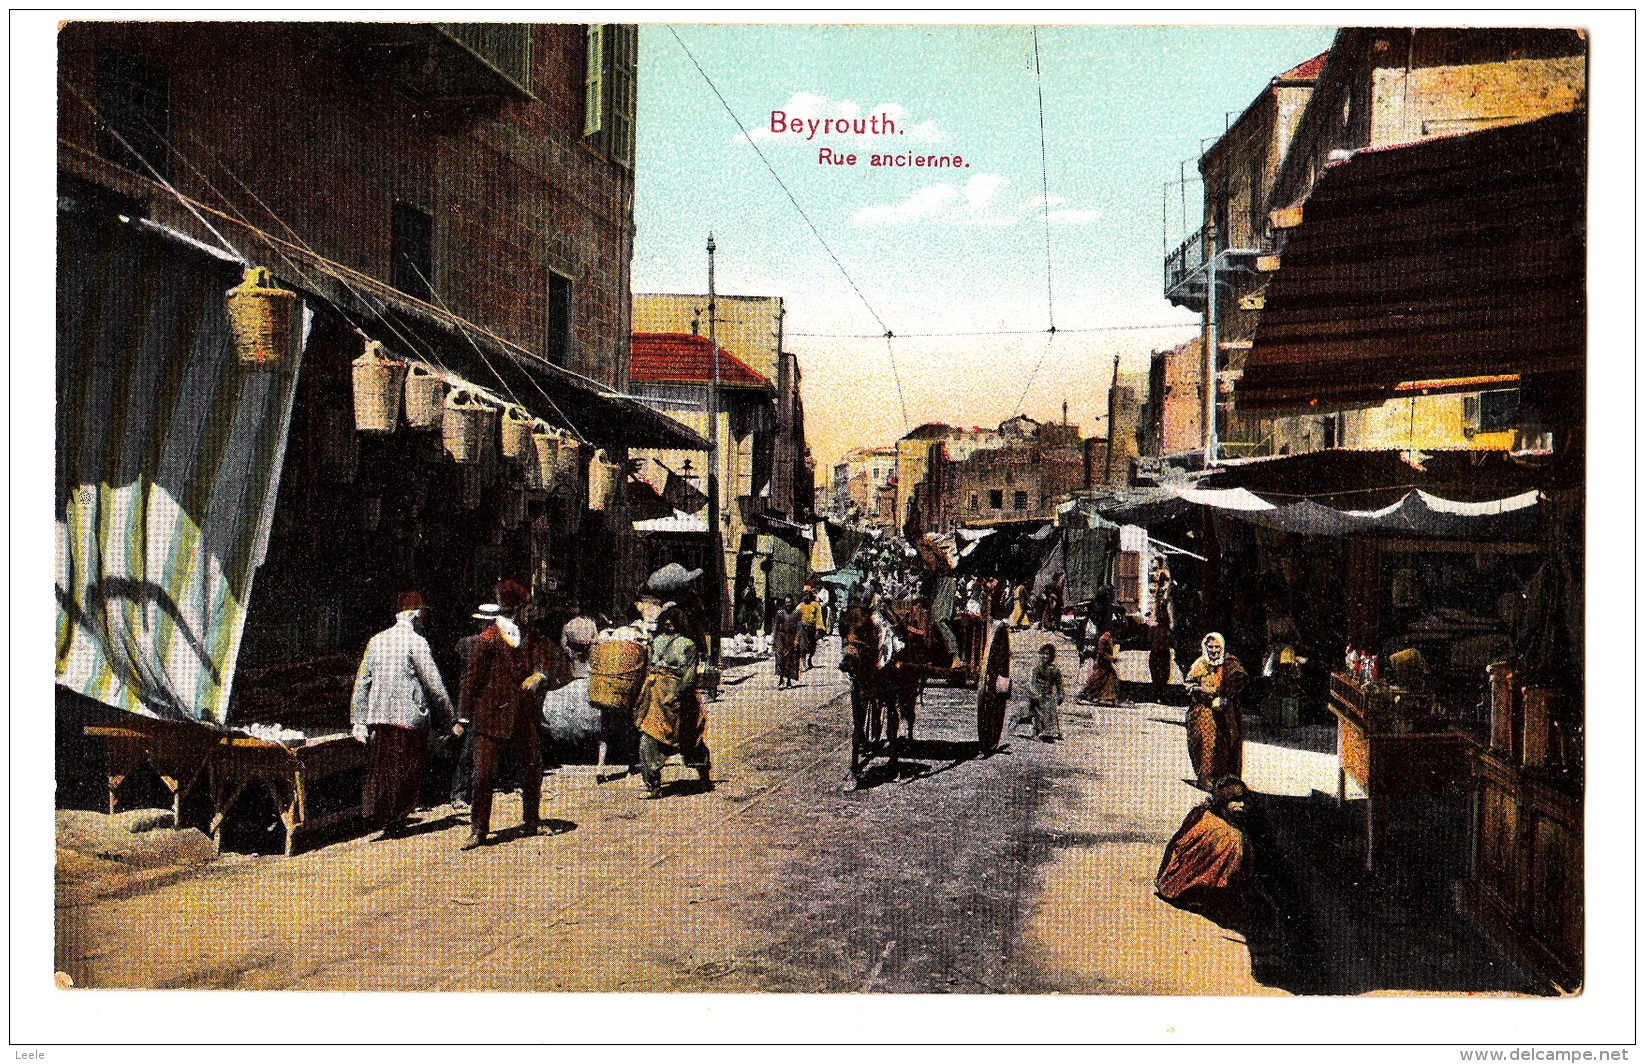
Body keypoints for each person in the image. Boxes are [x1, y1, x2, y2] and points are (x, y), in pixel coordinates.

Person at [457, 579, 569, 850]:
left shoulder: (530, 634)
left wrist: (539, 675)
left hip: (523, 712)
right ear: (517, 608)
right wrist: (462, 717)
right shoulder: (487, 639)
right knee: (483, 775)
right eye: (526, 606)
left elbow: (556, 660)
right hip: (491, 714)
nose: (529, 611)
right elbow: (470, 680)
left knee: (532, 768)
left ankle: (532, 820)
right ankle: (479, 829)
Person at [350, 590, 457, 839]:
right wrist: (449, 718)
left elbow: (362, 682)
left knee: (383, 770)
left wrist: (358, 720)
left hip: (379, 718)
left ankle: (380, 818)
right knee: (406, 771)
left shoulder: (376, 641)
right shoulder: (417, 642)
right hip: (408, 719)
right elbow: (435, 684)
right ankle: (394, 820)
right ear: (416, 617)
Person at [634, 606, 712, 798]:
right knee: (648, 739)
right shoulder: (657, 641)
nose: (668, 623)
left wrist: (677, 694)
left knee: (690, 740)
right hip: (655, 697)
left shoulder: (688, 644)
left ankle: (703, 774)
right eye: (666, 620)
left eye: (672, 620)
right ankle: (654, 784)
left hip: (678, 700)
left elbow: (689, 674)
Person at [1155, 776, 1253, 926]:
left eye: (1243, 801)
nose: (1241, 805)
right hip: (1190, 884)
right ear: (1223, 801)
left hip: (1173, 881)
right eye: (1236, 801)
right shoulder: (1227, 834)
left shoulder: (1202, 813)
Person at [449, 602, 501, 808]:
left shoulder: (469, 643)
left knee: (475, 751)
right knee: (470, 751)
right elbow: (465, 680)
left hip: (484, 704)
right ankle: (461, 794)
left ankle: (467, 793)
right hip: (477, 704)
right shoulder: (470, 644)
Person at [1184, 632, 1248, 791]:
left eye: (1217, 647)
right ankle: (1207, 780)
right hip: (1204, 711)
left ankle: (1227, 781)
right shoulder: (1199, 664)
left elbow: (1241, 678)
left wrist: (1226, 691)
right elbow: (1189, 684)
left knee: (1228, 743)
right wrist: (1202, 691)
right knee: (1206, 744)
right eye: (1210, 647)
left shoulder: (1230, 663)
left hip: (1227, 710)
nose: (1213, 651)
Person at [1021, 642, 1065, 741]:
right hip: (1036, 695)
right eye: (1043, 654)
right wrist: (1035, 693)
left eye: (1048, 654)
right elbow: (1032, 683)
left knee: (1050, 708)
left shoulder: (1055, 670)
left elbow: (1059, 685)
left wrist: (1060, 695)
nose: (1045, 656)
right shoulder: (1036, 669)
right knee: (1038, 710)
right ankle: (1035, 732)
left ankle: (1052, 731)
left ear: (1052, 656)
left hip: (1048, 695)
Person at [1148, 558, 1175, 702]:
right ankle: (1157, 688)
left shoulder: (1166, 595)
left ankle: (1161, 689)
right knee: (1155, 661)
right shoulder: (1158, 594)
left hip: (1163, 633)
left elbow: (1169, 615)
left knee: (1162, 662)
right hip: (1158, 633)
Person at [1079, 625, 1121, 704]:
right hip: (1102, 662)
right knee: (1098, 679)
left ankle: (1107, 698)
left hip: (1106, 661)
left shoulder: (1109, 637)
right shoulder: (1104, 638)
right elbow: (1101, 652)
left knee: (1109, 678)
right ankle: (1084, 694)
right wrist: (1111, 658)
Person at [773, 595, 802, 688]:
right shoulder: (780, 613)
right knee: (780, 658)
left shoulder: (796, 613)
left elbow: (799, 628)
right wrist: (775, 640)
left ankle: (789, 680)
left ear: (792, 602)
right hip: (782, 636)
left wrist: (796, 640)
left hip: (792, 637)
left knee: (791, 659)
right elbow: (776, 627)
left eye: (789, 602)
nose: (788, 604)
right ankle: (781, 680)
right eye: (786, 602)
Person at [797, 589, 824, 669]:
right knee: (803, 646)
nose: (806, 597)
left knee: (812, 647)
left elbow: (819, 617)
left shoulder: (815, 605)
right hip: (803, 628)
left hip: (812, 628)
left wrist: (819, 629)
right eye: (805, 596)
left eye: (807, 595)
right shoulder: (801, 605)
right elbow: (795, 614)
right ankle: (804, 663)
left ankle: (809, 660)